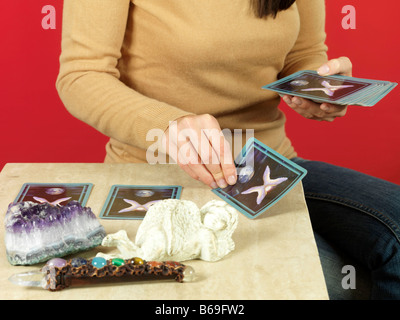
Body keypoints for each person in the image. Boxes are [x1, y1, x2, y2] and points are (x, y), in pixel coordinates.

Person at [56, 0, 400, 299]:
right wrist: (169, 125)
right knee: (332, 286)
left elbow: (302, 54)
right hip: (158, 171)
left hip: (267, 166)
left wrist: (317, 87)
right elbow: (82, 74)